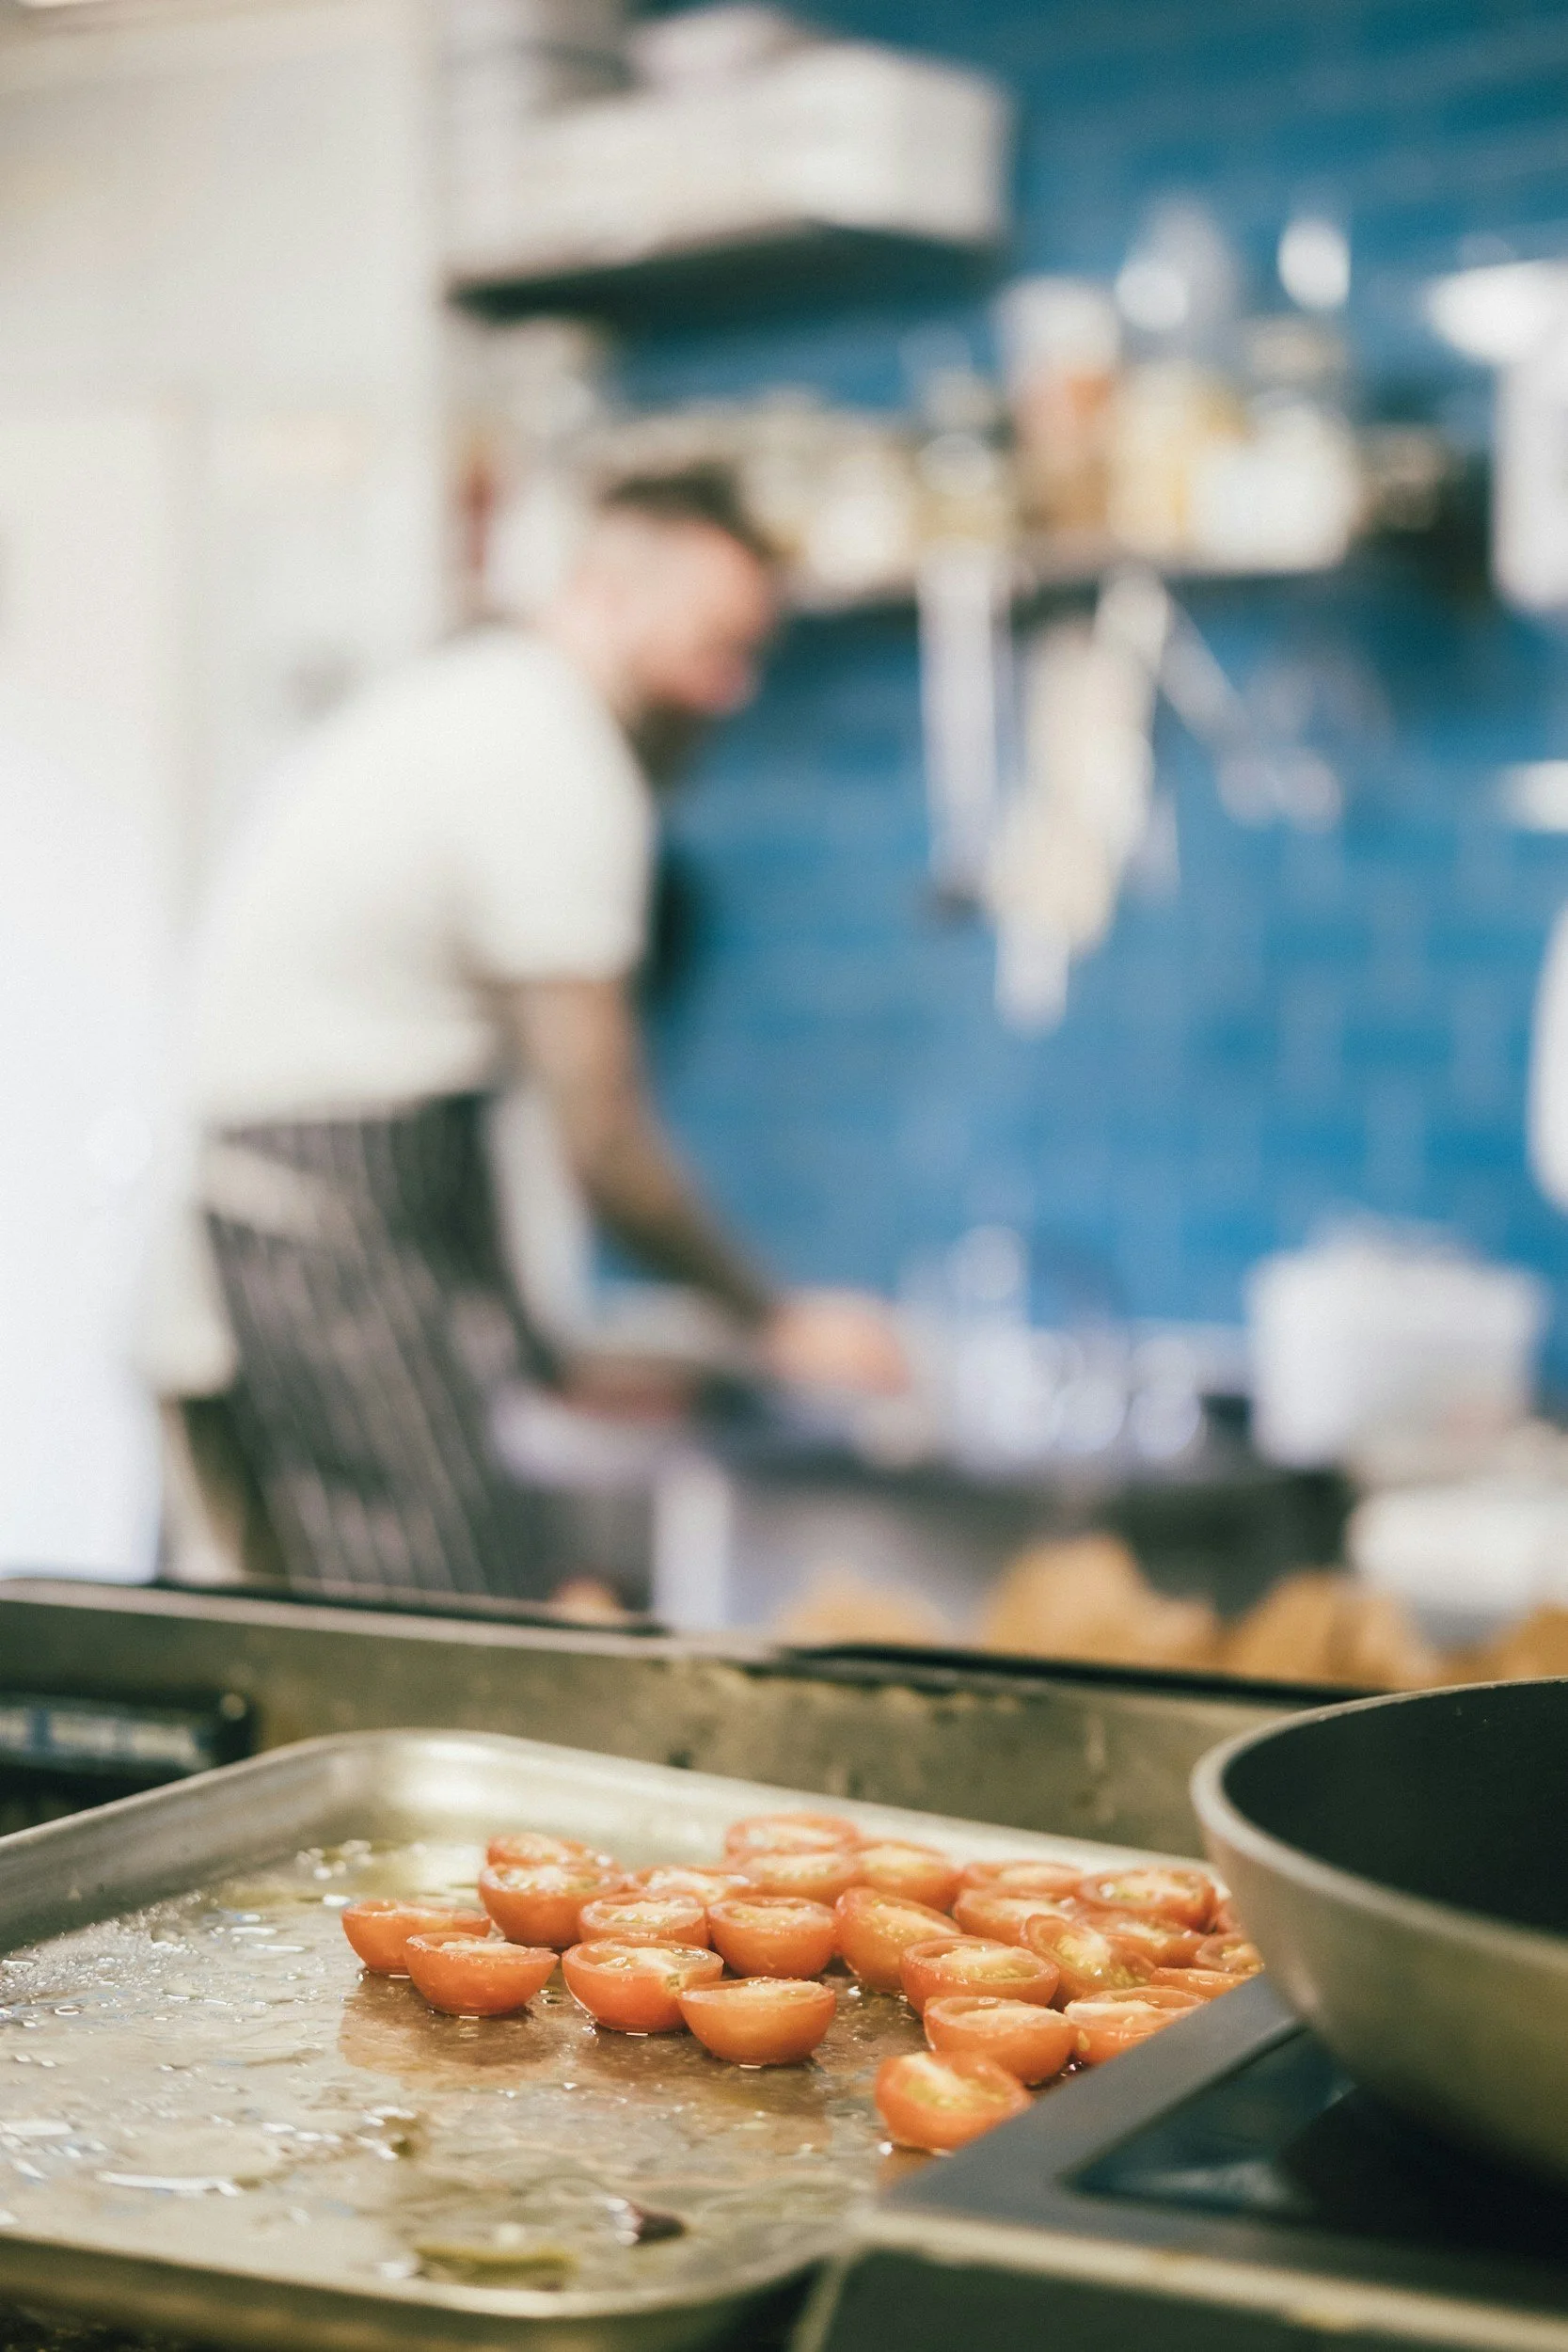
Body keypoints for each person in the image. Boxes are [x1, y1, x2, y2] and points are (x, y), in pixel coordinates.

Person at [149, 467, 904, 1600]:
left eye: (747, 654)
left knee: (306, 1639)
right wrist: (778, 1320)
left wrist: (546, 1351)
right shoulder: (559, 760)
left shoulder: (482, 705)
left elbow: (427, 1123)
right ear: (604, 592)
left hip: (264, 1217)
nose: (730, 689)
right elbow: (602, 1144)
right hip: (311, 1238)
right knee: (445, 1631)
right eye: (708, 644)